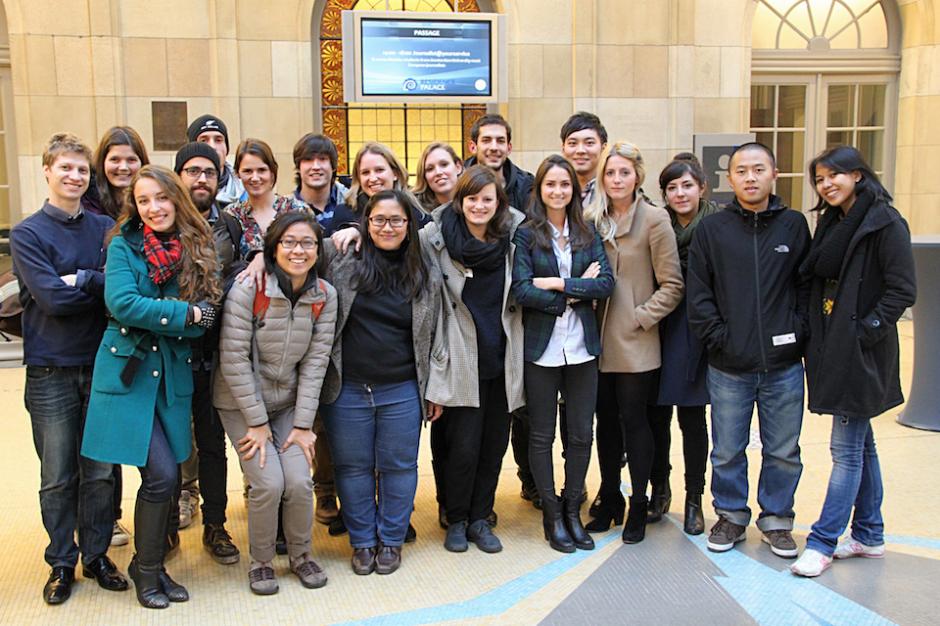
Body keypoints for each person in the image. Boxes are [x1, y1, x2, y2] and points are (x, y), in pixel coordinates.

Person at [81, 165, 221, 609]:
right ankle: (145, 569)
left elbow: (205, 319)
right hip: (128, 374)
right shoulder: (124, 245)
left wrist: (181, 317)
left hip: (171, 375)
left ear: (176, 198)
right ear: (134, 205)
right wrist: (183, 314)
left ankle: (154, 566)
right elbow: (122, 304)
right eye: (143, 200)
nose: (153, 208)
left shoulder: (198, 245)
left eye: (161, 198)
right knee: (161, 475)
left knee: (168, 477)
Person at [10, 133, 128, 605]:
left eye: (82, 170)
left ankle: (96, 555)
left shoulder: (105, 228)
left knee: (100, 471)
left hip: (101, 364)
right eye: (66, 168)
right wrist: (94, 290)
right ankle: (61, 560)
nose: (75, 177)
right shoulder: (27, 234)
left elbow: (119, 292)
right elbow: (52, 300)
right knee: (58, 474)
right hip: (51, 369)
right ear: (47, 171)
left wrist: (82, 279)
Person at [790, 146, 915, 577]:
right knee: (863, 445)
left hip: (859, 353)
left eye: (834, 176)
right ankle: (869, 534)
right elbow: (817, 276)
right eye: (820, 179)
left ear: (858, 175)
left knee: (845, 450)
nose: (826, 185)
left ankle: (822, 542)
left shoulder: (885, 222)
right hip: (832, 346)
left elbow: (902, 289)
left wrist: (864, 332)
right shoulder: (832, 223)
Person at [687, 142, 811, 558]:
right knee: (726, 450)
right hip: (728, 366)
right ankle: (731, 516)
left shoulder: (794, 225)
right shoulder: (712, 229)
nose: (750, 177)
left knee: (784, 451)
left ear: (774, 174)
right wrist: (720, 338)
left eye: (759, 169)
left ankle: (777, 519)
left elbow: (806, 287)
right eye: (741, 171)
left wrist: (798, 332)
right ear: (730, 178)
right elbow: (699, 293)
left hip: (784, 364)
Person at [319, 189, 442, 575]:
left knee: (399, 467)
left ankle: (391, 539)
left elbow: (435, 333)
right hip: (348, 388)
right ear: (366, 222)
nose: (387, 227)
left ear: (409, 225)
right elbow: (294, 248)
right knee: (351, 467)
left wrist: (434, 388)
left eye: (396, 220)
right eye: (378, 220)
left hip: (402, 387)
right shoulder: (343, 258)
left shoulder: (424, 270)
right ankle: (362, 541)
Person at [215, 211, 337, 594]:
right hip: (240, 403)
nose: (298, 251)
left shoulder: (324, 296)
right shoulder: (249, 289)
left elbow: (317, 362)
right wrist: (256, 422)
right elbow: (233, 359)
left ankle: (301, 555)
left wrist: (303, 425)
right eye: (289, 242)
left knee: (299, 481)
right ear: (273, 247)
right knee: (268, 483)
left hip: (287, 404)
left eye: (307, 243)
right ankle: (262, 561)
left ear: (318, 250)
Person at [511, 155, 614, 553]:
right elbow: (522, 289)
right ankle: (552, 514)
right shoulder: (526, 234)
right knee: (541, 435)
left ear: (574, 189)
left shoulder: (588, 232)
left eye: (564, 184)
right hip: (542, 348)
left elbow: (605, 284)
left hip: (582, 348)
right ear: (539, 190)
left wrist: (556, 283)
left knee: (581, 434)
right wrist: (573, 292)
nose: (557, 191)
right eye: (550, 184)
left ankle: (573, 510)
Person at [582, 142, 683, 544]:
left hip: (636, 342)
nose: (617, 179)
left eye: (624, 172)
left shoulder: (655, 220)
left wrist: (640, 317)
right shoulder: (592, 219)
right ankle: (610, 498)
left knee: (636, 422)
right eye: (610, 173)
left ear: (637, 176)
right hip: (595, 340)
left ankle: (639, 501)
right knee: (604, 423)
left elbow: (672, 285)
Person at [423, 165, 525, 554]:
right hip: (458, 359)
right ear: (460, 201)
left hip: (502, 357)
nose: (479, 206)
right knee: (461, 448)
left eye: (487, 199)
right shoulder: (436, 239)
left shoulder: (512, 239)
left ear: (499, 203)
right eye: (471, 198)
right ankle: (457, 518)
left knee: (493, 446)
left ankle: (481, 517)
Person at [170, 141, 242, 565]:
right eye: (193, 171)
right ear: (179, 175)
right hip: (170, 352)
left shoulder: (230, 223)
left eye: (209, 172)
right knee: (171, 443)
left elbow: (240, 272)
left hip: (215, 352)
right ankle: (165, 523)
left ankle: (216, 524)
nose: (201, 179)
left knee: (213, 444)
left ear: (219, 177)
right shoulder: (162, 220)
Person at [81, 125, 150, 547]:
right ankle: (102, 521)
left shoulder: (152, 208)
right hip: (91, 333)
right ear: (101, 163)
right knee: (102, 439)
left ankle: (126, 517)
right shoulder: (88, 210)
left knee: (133, 430)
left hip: (136, 338)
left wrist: (90, 279)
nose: (123, 167)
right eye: (115, 159)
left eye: (131, 159)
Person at [464, 115, 538, 506]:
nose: (493, 146)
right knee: (465, 430)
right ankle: (457, 505)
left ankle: (530, 480)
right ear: (473, 145)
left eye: (500, 140)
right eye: (486, 140)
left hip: (514, 313)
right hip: (467, 322)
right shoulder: (458, 182)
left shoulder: (528, 186)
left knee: (519, 413)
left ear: (509, 146)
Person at [646, 154, 720, 535]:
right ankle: (660, 489)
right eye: (672, 188)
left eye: (687, 185)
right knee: (656, 417)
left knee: (692, 419)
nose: (680, 193)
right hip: (660, 325)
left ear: (702, 188)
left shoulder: (718, 225)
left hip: (697, 330)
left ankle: (694, 498)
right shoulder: (657, 224)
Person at [291, 132, 349, 239]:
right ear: (298, 167)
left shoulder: (353, 203)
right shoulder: (286, 210)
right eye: (308, 159)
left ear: (333, 166)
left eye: (322, 159)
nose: (316, 167)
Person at [187, 114, 246, 206]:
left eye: (218, 140)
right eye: (204, 140)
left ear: (226, 149)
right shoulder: (176, 195)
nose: (212, 147)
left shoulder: (246, 190)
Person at [560, 112, 607, 205]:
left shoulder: (614, 190)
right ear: (563, 148)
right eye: (573, 143)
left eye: (589, 143)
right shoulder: (553, 191)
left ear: (603, 148)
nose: (580, 151)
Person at [413, 142, 464, 213]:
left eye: (444, 164)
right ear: (424, 177)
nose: (438, 172)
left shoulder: (474, 204)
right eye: (430, 169)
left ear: (458, 167)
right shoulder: (414, 210)